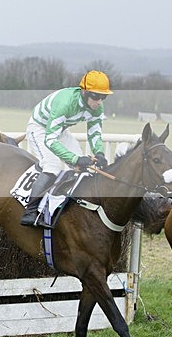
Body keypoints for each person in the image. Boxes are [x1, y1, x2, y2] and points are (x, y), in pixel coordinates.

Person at [19, 70, 112, 227]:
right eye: (96, 96)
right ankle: (30, 212)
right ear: (84, 92)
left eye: (103, 97)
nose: (99, 101)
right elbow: (50, 139)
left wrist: (99, 152)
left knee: (83, 169)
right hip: (40, 128)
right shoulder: (66, 104)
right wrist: (74, 159)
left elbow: (94, 132)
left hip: (60, 130)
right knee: (52, 166)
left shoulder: (97, 108)